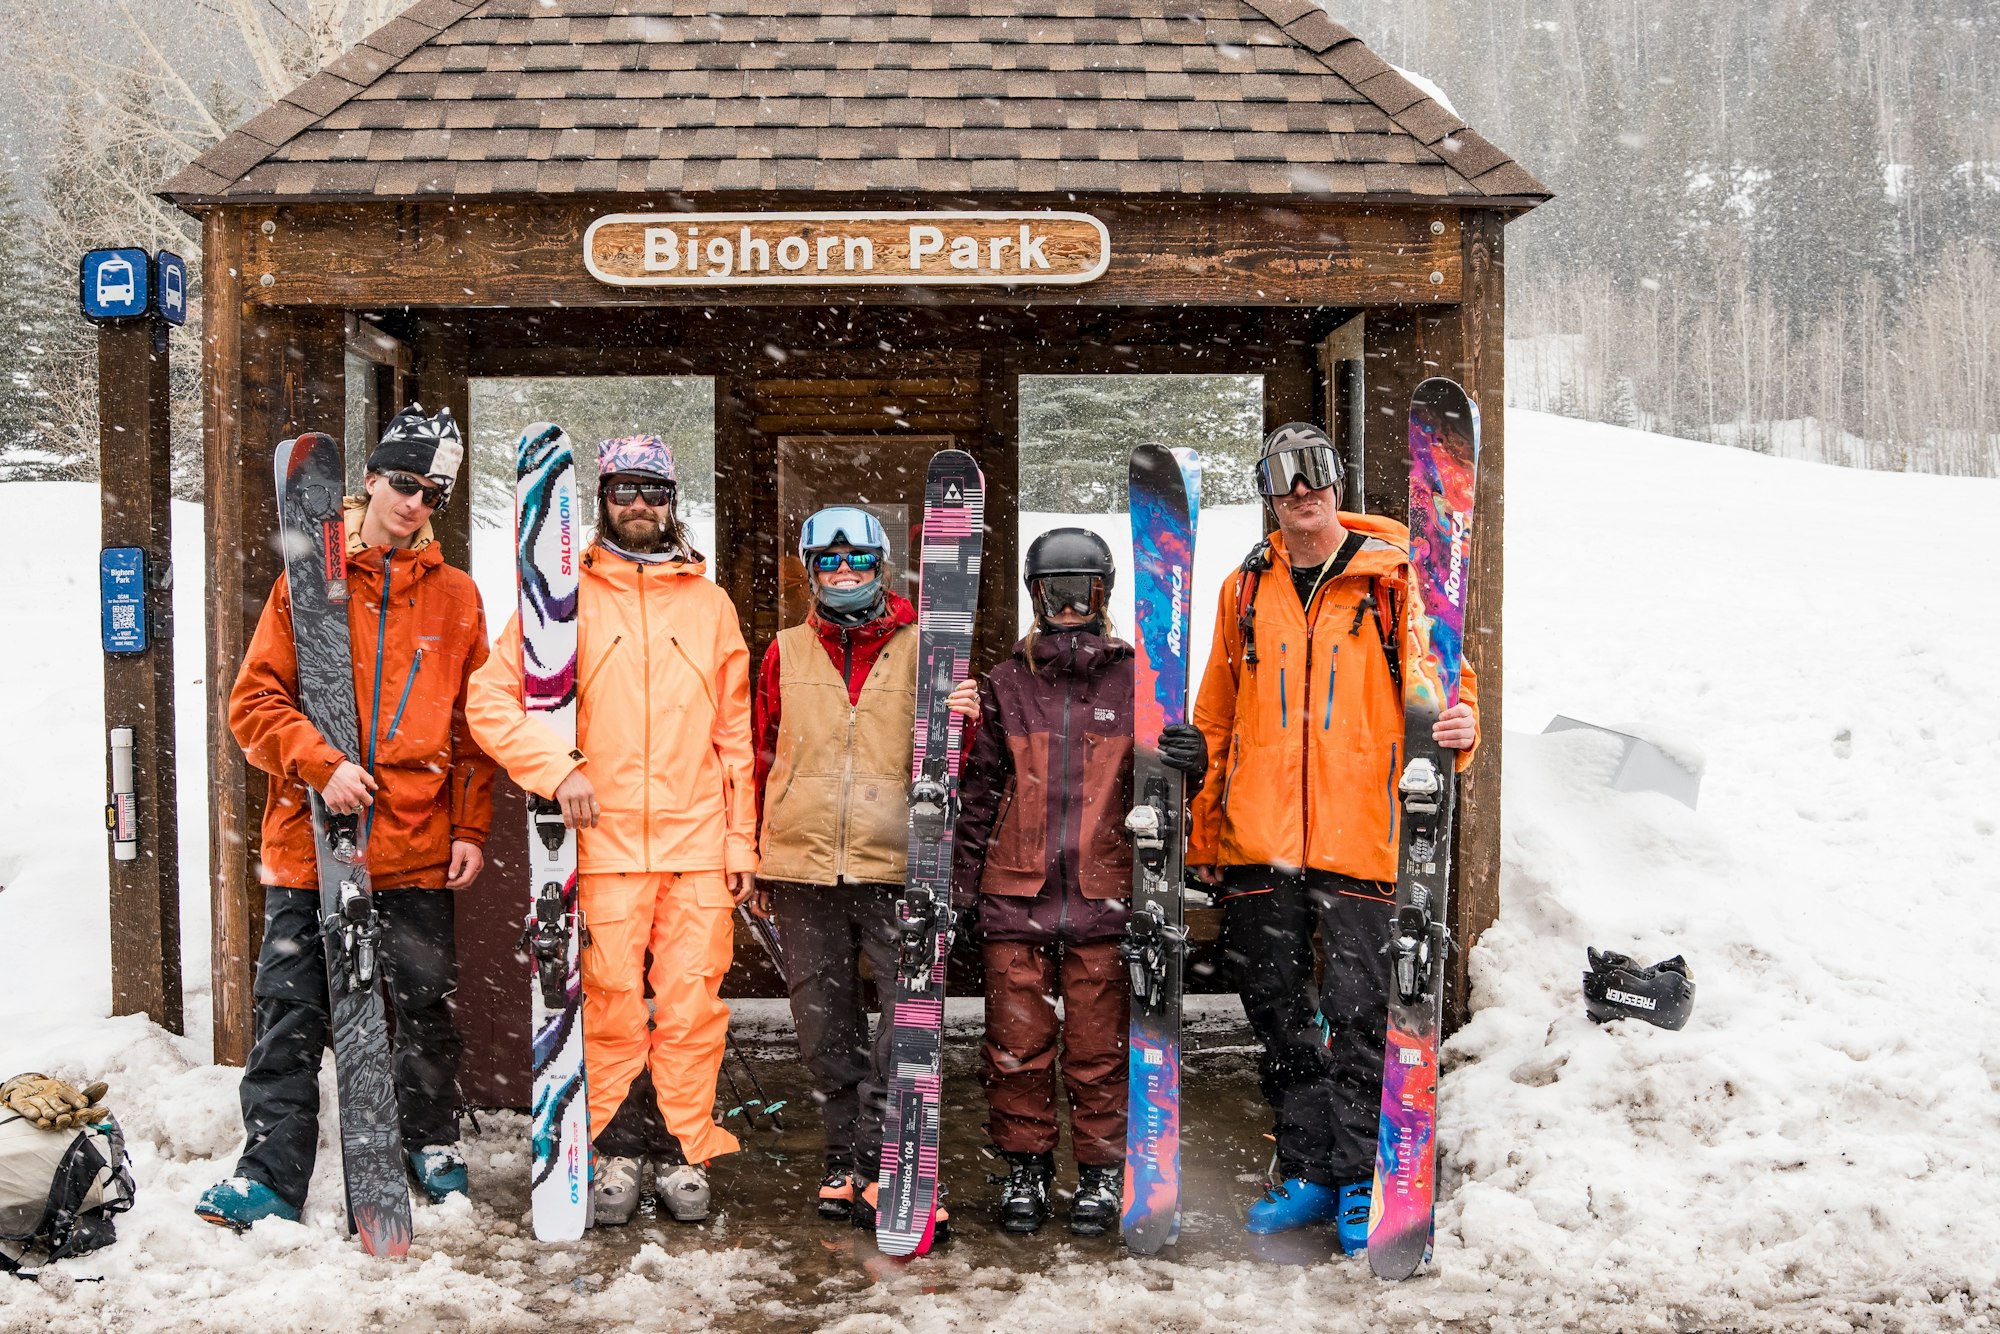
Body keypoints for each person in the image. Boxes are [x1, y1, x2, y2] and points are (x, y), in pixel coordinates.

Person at [198, 404, 496, 1230]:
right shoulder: (309, 583)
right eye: (403, 483)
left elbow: (475, 731)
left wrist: (470, 828)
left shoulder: (458, 598)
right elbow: (253, 703)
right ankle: (270, 1174)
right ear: (368, 480)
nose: (414, 503)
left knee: (423, 1009)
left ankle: (426, 1143)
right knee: (292, 1017)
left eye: (433, 493)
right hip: (313, 846)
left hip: (413, 844)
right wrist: (321, 764)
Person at [1187, 422, 1478, 1254]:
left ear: (1336, 482)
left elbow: (1452, 683)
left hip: (1361, 830)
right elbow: (1216, 707)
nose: (1300, 489)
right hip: (1260, 836)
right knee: (1277, 1012)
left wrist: (1464, 725)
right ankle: (1308, 1168)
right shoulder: (1245, 591)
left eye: (1313, 472)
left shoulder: (1396, 580)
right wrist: (1203, 808)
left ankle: (1359, 1176)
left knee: (1356, 1014)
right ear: (1268, 495)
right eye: (1282, 478)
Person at [467, 434, 757, 1228]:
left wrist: (740, 843)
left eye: (653, 491)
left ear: (674, 502)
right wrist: (556, 767)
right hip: (602, 847)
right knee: (611, 1003)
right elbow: (490, 704)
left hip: (699, 844)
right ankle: (618, 1146)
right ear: (601, 498)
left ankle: (683, 1147)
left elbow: (737, 738)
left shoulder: (710, 603)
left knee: (693, 1004)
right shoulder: (557, 600)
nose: (638, 505)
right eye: (624, 490)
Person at [947, 528, 1208, 1236]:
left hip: (1105, 894)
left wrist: (1190, 761)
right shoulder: (1005, 682)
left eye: (1081, 592)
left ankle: (1098, 1172)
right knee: (1015, 1049)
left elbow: (1163, 799)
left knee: (1098, 1051)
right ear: (1036, 596)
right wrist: (963, 891)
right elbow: (977, 793)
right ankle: (1025, 1168)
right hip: (1016, 893)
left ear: (1105, 595)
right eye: (1054, 592)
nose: (1067, 607)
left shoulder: (1138, 683)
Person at [750, 505, 921, 1230]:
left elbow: (959, 756)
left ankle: (889, 1155)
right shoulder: (782, 650)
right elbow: (758, 755)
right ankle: (842, 1158)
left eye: (855, 561)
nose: (843, 573)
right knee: (824, 1026)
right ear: (810, 570)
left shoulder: (926, 646)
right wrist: (753, 854)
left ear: (879, 565)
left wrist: (968, 715)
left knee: (904, 1023)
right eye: (828, 562)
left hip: (896, 863)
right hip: (801, 867)